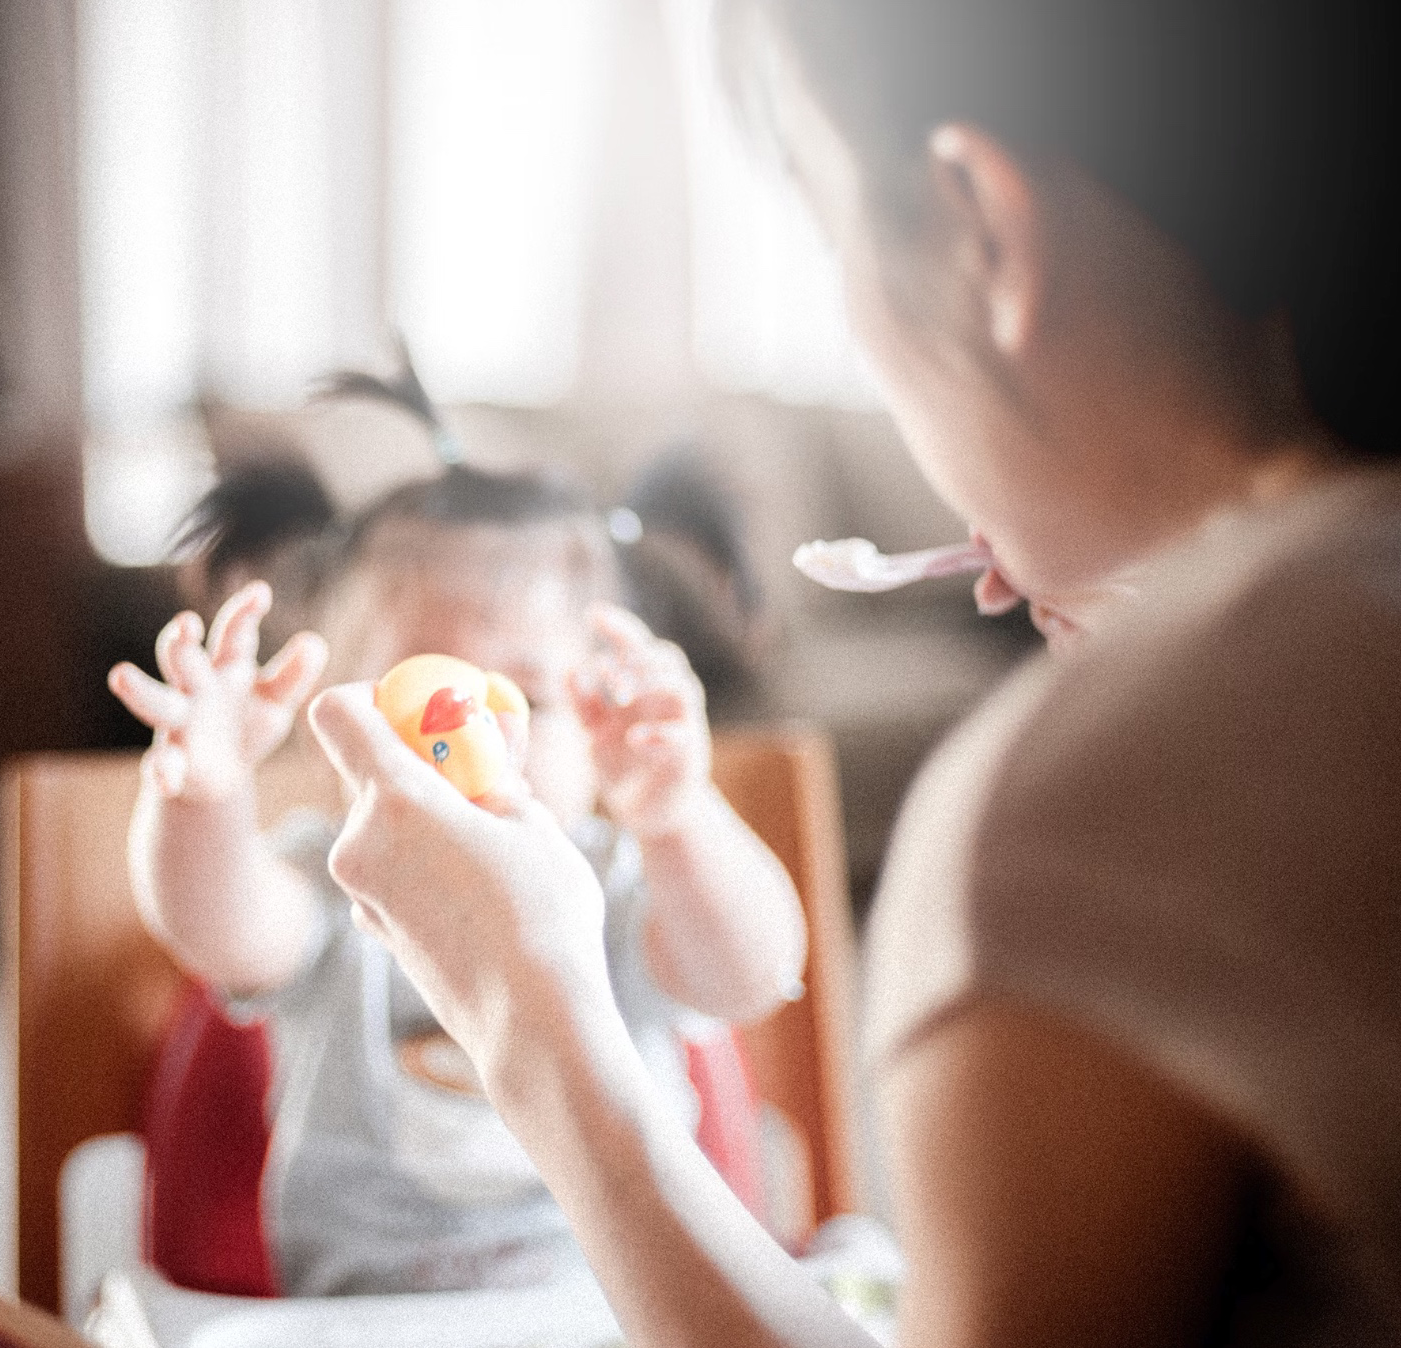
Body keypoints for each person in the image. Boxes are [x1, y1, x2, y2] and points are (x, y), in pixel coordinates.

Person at [298, 0, 1401, 1344]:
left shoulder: (1071, 822)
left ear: (982, 227)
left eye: (829, 233)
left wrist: (539, 1030)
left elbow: (751, 955)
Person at [107, 459, 807, 1296]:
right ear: (335, 716)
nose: (472, 740)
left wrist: (677, 814)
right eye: (423, 696)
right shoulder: (340, 879)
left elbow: (753, 974)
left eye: (531, 700)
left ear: (597, 726)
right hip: (371, 1319)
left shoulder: (614, 891)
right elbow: (214, 926)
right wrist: (206, 795)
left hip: (621, 1307)